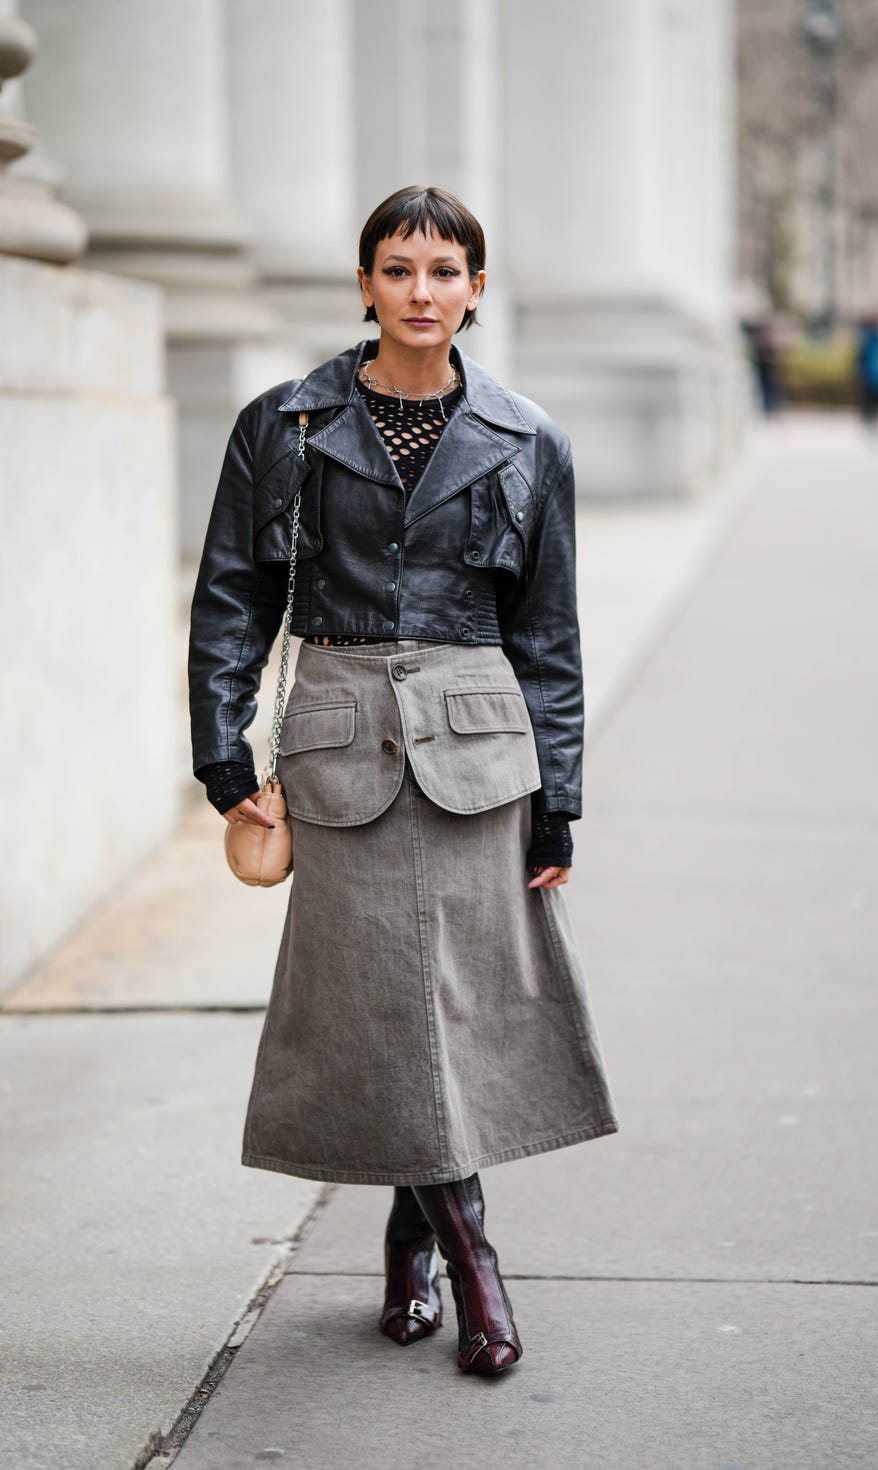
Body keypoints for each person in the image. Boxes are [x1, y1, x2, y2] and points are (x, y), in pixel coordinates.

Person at [187, 185, 619, 1378]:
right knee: (385, 1005)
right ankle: (469, 1254)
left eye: (444, 271)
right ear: (366, 284)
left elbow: (549, 633)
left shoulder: (530, 441)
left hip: (480, 749)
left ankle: (425, 1245)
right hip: (335, 739)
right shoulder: (283, 424)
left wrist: (560, 794)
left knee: (450, 1008)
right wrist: (223, 759)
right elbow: (233, 597)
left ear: (476, 288)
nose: (420, 292)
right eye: (397, 269)